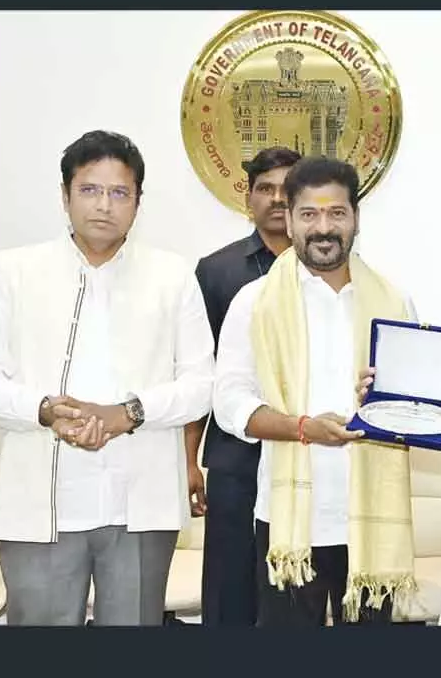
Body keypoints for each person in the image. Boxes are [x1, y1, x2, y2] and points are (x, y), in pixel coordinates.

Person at [0, 130, 215, 625]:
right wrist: (44, 410)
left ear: (137, 202)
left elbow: (201, 384)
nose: (104, 205)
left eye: (119, 193)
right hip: (40, 503)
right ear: (65, 196)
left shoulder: (172, 276)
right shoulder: (16, 271)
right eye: (89, 190)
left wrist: (126, 414)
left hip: (140, 502)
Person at [212, 155, 418, 627]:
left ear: (356, 218)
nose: (323, 227)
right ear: (289, 218)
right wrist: (302, 428)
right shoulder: (255, 301)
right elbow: (229, 404)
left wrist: (396, 407)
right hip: (289, 523)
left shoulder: (394, 300)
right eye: (309, 214)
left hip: (368, 521)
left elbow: (414, 404)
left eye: (336, 213)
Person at [188, 146, 299, 626]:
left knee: (292, 589)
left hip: (303, 453)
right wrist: (189, 461)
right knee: (229, 587)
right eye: (265, 188)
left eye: (287, 189)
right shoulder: (216, 271)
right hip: (236, 455)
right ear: (247, 197)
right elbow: (198, 373)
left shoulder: (328, 267)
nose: (276, 199)